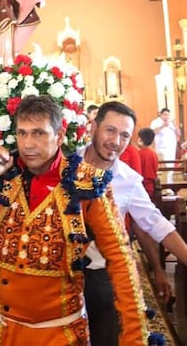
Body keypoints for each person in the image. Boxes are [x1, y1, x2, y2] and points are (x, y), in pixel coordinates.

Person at [0, 94, 150, 346]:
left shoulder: (87, 183)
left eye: (39, 133)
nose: (28, 144)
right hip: (6, 333)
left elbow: (121, 261)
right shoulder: (4, 177)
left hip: (59, 335)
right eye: (22, 134)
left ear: (60, 135)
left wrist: (133, 338)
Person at [82, 101, 187, 346]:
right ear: (94, 127)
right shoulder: (65, 161)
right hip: (58, 277)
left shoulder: (128, 181)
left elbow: (157, 224)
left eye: (124, 135)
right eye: (110, 130)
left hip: (100, 277)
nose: (116, 141)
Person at [150, 107, 180, 182]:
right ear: (160, 114)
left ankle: (170, 184)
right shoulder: (155, 122)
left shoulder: (171, 122)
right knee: (165, 167)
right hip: (162, 149)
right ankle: (165, 186)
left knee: (171, 167)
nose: (167, 116)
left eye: (168, 115)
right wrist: (163, 126)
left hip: (171, 148)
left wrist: (175, 125)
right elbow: (152, 132)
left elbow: (179, 133)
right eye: (165, 114)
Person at [137, 127, 159, 199]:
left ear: (140, 139)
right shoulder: (154, 154)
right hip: (153, 186)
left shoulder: (138, 154)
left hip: (142, 187)